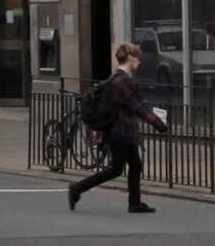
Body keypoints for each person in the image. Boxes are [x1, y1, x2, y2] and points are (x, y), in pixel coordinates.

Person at [68, 42, 168, 214]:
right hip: (120, 131)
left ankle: (135, 203)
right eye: (136, 57)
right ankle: (77, 189)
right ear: (129, 57)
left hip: (124, 131)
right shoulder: (123, 80)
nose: (139, 61)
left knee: (135, 165)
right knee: (115, 169)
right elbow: (138, 107)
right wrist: (160, 125)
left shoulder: (117, 77)